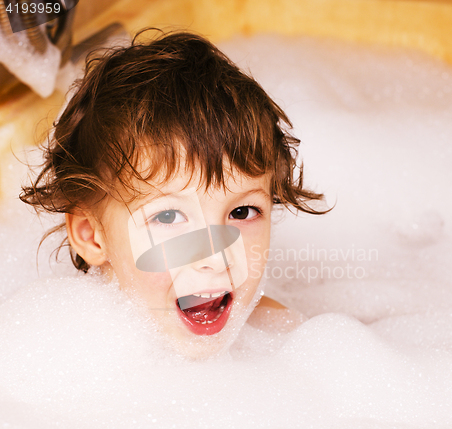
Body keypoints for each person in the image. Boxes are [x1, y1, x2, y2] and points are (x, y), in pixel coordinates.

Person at [20, 29, 328, 358]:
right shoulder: (59, 354)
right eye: (168, 216)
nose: (216, 259)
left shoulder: (279, 335)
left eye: (242, 212)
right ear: (92, 236)